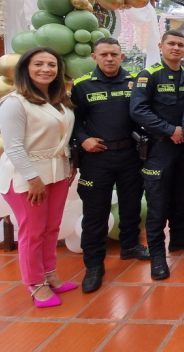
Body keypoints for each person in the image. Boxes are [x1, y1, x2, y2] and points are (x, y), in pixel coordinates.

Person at [0, 47, 77, 308]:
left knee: (51, 227)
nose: (46, 69)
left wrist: (70, 164)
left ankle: (49, 273)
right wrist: (33, 178)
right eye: (38, 64)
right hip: (28, 176)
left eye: (51, 65)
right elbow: (14, 146)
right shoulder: (14, 102)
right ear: (25, 69)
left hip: (57, 172)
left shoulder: (58, 100)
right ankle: (35, 283)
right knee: (33, 232)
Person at [70, 38, 148, 294]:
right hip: (96, 158)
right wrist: (84, 140)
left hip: (129, 154)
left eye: (114, 54)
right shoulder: (82, 86)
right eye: (104, 54)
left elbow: (142, 115)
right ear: (94, 57)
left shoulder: (136, 82)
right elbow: (74, 122)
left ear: (122, 56)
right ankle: (94, 265)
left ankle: (129, 245)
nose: (109, 59)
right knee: (95, 213)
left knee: (131, 205)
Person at [130, 30, 184, 281]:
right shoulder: (149, 75)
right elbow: (138, 110)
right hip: (160, 149)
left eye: (181, 45)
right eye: (171, 43)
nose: (176, 48)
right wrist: (170, 130)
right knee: (158, 204)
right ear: (161, 46)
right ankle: (158, 255)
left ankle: (180, 237)